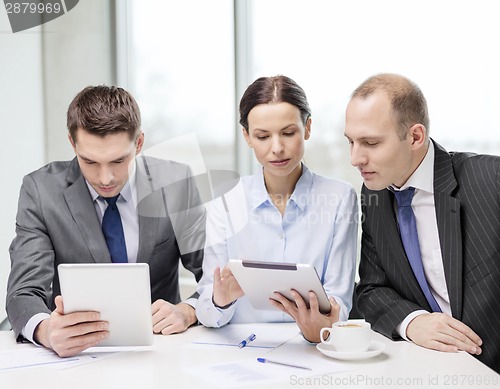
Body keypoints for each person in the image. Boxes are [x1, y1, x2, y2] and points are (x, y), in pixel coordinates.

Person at [6, 85, 205, 357]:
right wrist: (46, 330)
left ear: (138, 143)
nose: (105, 178)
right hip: (77, 355)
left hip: (162, 349)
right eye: (89, 162)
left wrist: (188, 311)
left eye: (118, 160)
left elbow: (214, 273)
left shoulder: (175, 183)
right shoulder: (40, 191)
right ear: (72, 143)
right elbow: (23, 293)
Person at [344, 73, 500, 373]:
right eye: (351, 142)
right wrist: (414, 322)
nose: (355, 158)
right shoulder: (374, 194)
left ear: (415, 137)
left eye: (370, 143)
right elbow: (370, 291)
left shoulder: (490, 181)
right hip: (427, 370)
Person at [196, 75, 358, 342]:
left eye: (288, 133)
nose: (277, 148)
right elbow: (207, 310)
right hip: (241, 348)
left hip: (315, 346)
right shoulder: (225, 200)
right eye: (262, 136)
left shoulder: (340, 197)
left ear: (307, 128)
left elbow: (339, 300)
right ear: (247, 137)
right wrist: (220, 300)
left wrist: (321, 326)